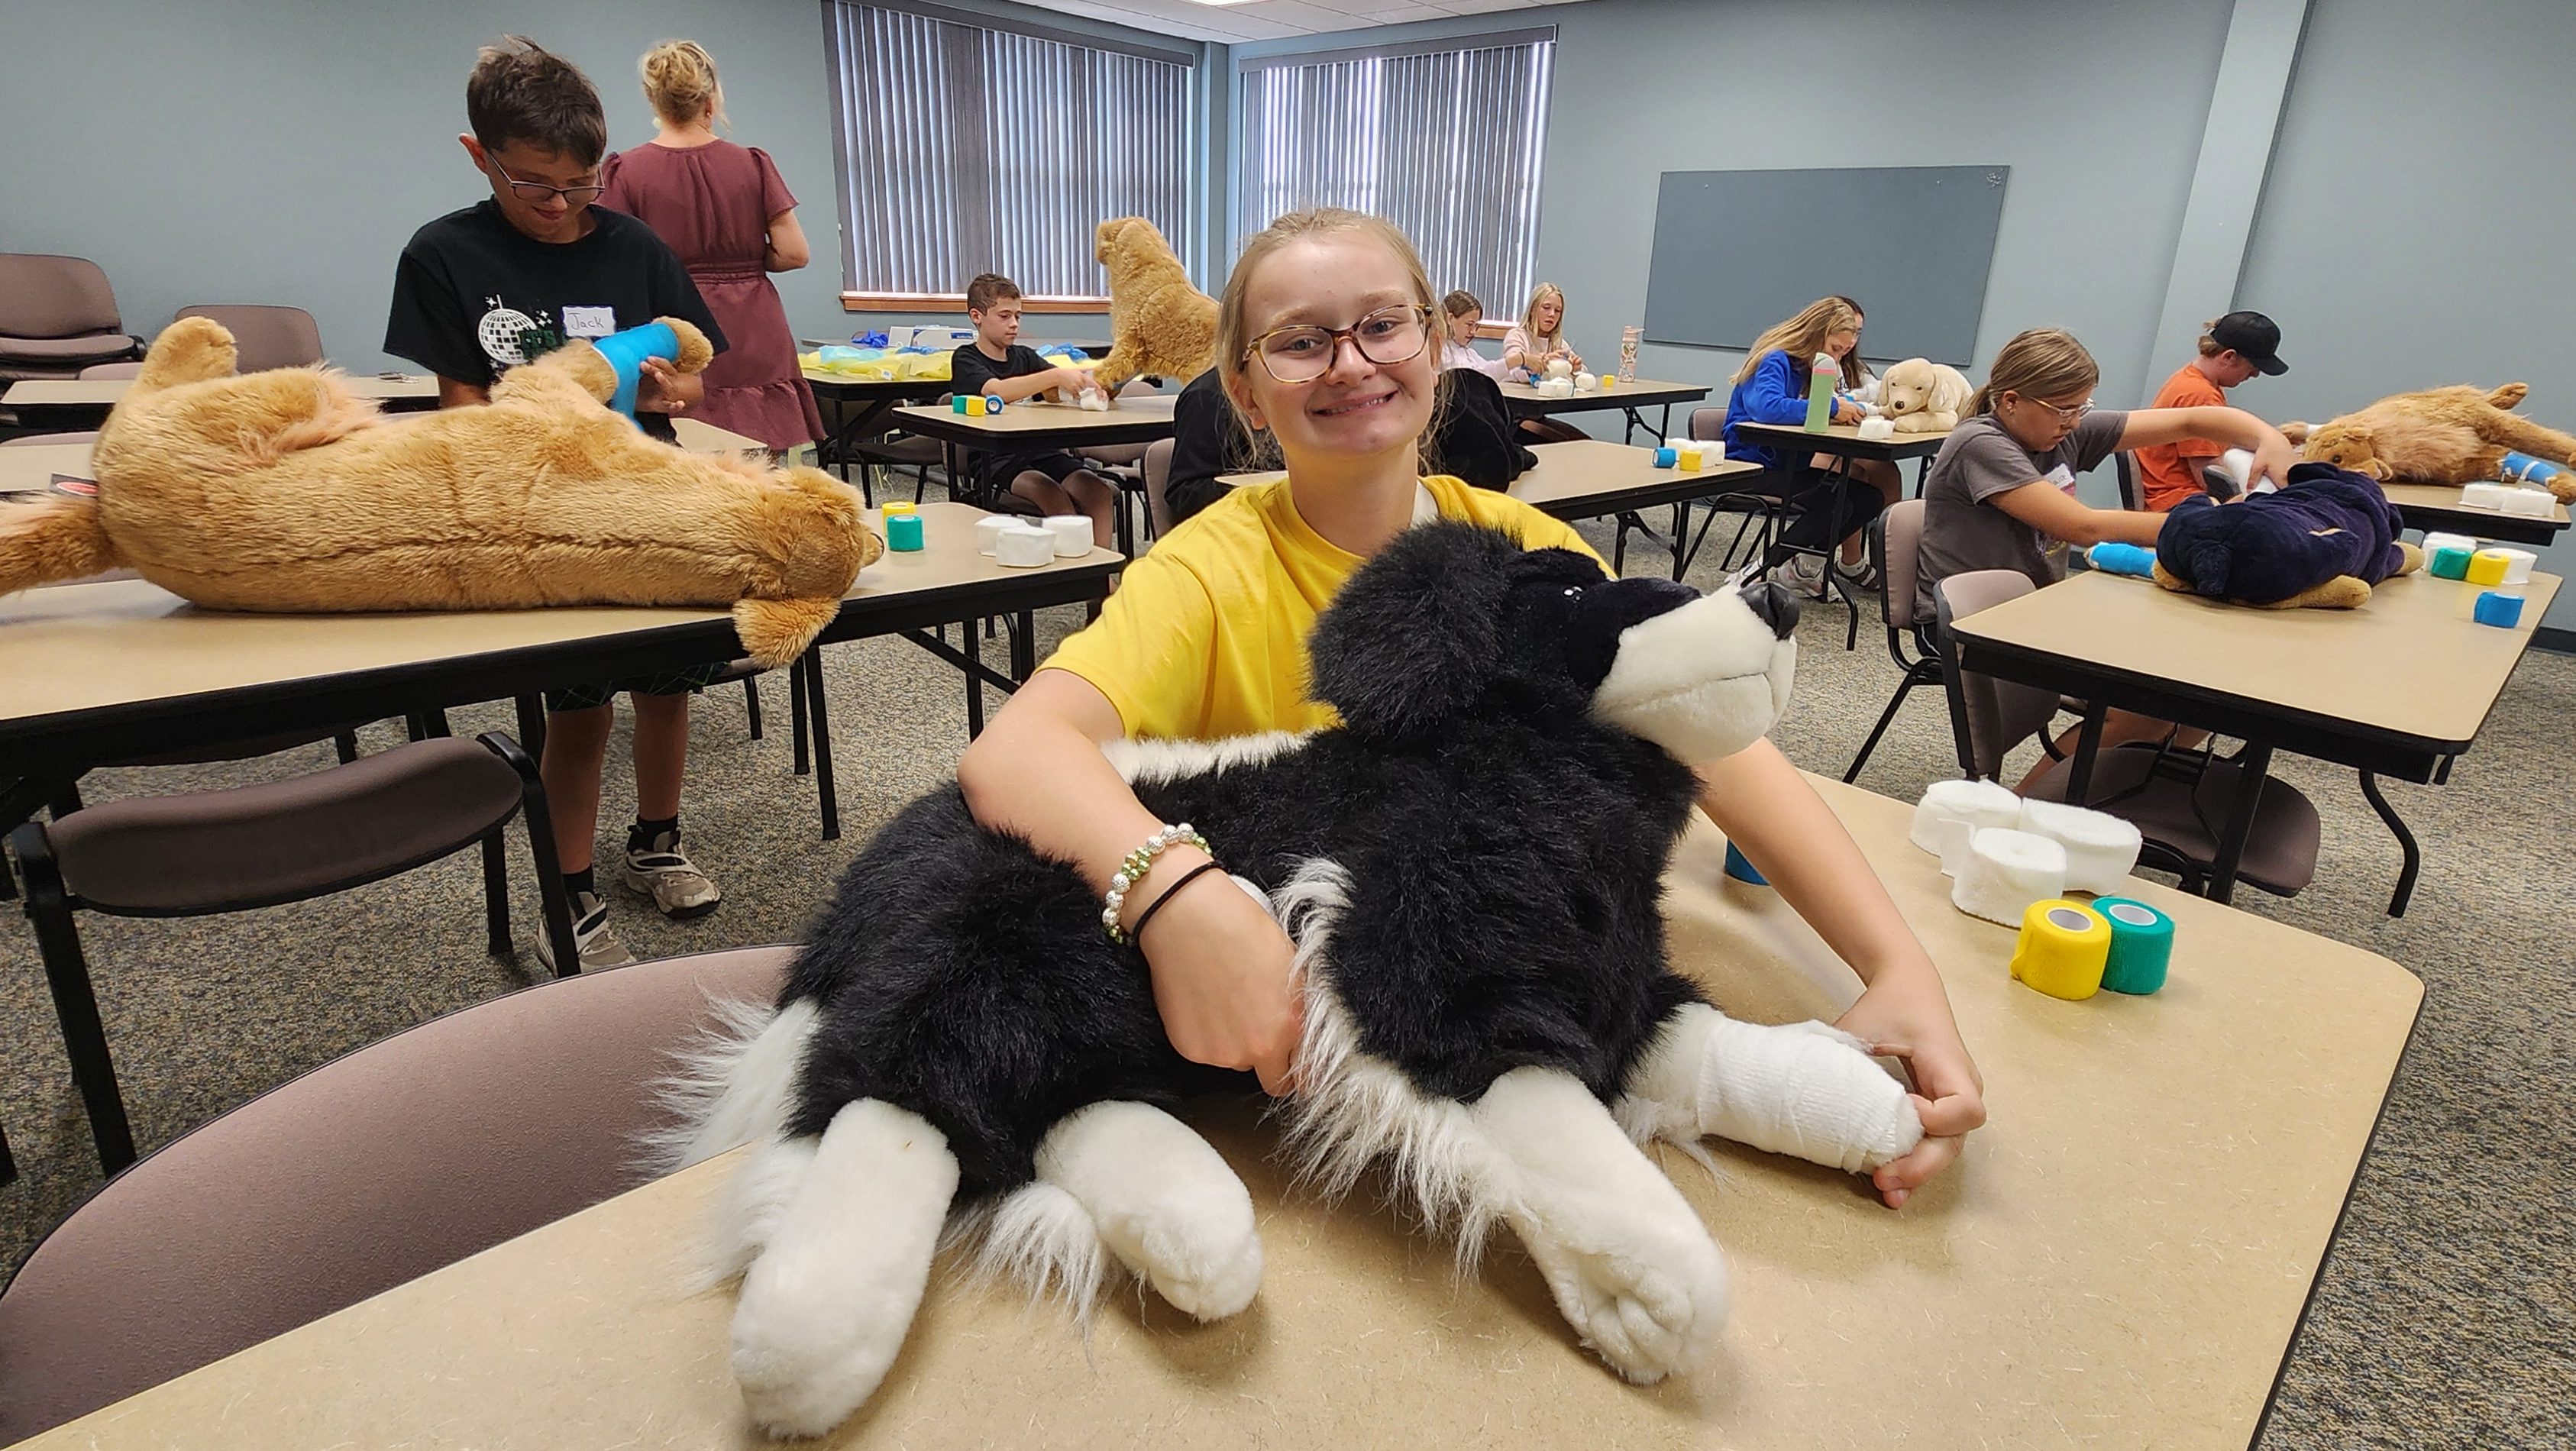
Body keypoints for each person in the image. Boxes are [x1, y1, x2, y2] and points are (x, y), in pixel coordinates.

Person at [956, 207, 1984, 1208]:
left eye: (1381, 324)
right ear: (1246, 392)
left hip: (1484, 982)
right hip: (1292, 1059)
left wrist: (1897, 968)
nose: (1351, 363)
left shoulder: (1518, 549)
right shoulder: (1206, 566)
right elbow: (1017, 753)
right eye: (1301, 343)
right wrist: (1173, 895)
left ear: (1437, 343)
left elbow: (1721, 745)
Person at [385, 36, 732, 971]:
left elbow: (693, 390)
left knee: (670, 689)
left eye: (580, 187)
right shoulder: (445, 254)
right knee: (579, 714)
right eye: (535, 184)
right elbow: (462, 416)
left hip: (648, 502)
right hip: (546, 522)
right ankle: (566, 892)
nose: (559, 207)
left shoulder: (636, 248)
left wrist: (664, 396)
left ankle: (656, 841)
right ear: (479, 155)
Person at [1917, 328, 2296, 788]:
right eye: (2065, 409)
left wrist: (2268, 437)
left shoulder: (2058, 431)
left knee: (2205, 698)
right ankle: (2020, 808)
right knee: (2149, 705)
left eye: (2084, 407)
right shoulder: (1981, 443)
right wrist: (2213, 524)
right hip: (1977, 621)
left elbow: (2191, 421)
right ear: (2012, 401)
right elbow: (2081, 526)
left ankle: (2104, 787)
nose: (2075, 421)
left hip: (2036, 607)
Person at [599, 39, 826, 457]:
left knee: (682, 453)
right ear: (710, 97)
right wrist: (742, 261)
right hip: (754, 323)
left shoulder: (625, 171)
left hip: (673, 324)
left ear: (653, 97)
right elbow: (795, 253)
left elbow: (610, 262)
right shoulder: (753, 163)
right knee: (761, 465)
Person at [1721, 296, 1898, 591]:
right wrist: (1830, 408)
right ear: (1815, 336)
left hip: (1790, 463)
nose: (1839, 357)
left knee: (1868, 498)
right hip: (1752, 465)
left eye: (1845, 351)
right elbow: (1767, 407)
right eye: (1835, 349)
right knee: (1833, 504)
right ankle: (1759, 569)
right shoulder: (1774, 359)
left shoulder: (1814, 367)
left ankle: (1802, 569)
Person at [949, 273, 1121, 548]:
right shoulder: (966, 358)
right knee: (1050, 493)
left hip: (1042, 451)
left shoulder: (1025, 357)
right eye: (1005, 316)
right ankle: (1074, 577)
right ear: (977, 316)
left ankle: (1100, 575)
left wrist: (1099, 384)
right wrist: (1055, 377)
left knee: (1096, 490)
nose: (1014, 324)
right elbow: (998, 391)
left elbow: (1062, 388)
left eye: (1018, 316)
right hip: (996, 458)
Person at [2132, 311, 2288, 511]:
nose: (2255, 375)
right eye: (2253, 367)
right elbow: (2210, 478)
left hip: (2171, 495)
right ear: (2229, 357)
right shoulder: (2200, 396)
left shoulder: (2189, 379)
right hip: (2179, 501)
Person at [1501, 282, 1588, 444]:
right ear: (1533, 309)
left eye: (1557, 311)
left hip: (1538, 415)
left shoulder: (1558, 342)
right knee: (1563, 443)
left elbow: (1580, 374)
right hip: (1516, 417)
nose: (1552, 315)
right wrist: (1539, 365)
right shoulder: (1518, 336)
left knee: (1584, 442)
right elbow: (1514, 369)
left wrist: (1576, 369)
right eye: (1546, 308)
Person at [1438, 289, 1505, 378]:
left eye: (1476, 326)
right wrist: (1511, 362)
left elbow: (1486, 368)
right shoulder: (1442, 350)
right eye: (1469, 324)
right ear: (1450, 318)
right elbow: (1473, 376)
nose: (1473, 332)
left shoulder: (1469, 353)